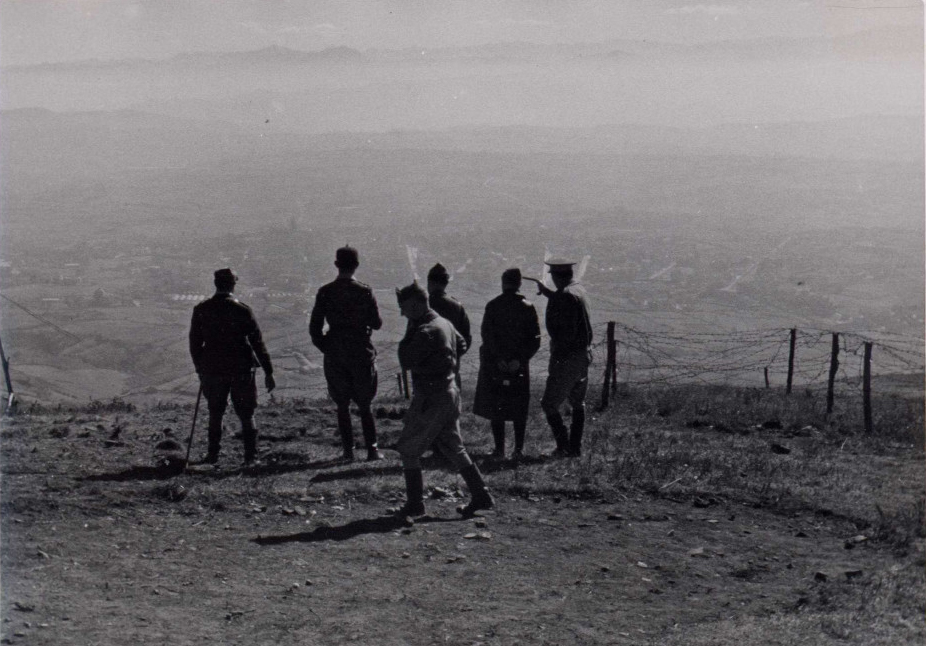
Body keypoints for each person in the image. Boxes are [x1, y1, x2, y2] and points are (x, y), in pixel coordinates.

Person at [392, 282, 494, 518]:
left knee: (408, 449)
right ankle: (481, 495)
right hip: (449, 391)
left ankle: (415, 504)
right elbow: (462, 343)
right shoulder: (444, 323)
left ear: (416, 305)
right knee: (453, 447)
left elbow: (405, 360)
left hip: (432, 397)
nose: (402, 313)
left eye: (404, 308)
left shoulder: (424, 330)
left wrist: (411, 333)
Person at [189, 268, 276, 465]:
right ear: (233, 285)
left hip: (213, 369)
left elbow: (195, 345)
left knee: (215, 412)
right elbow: (257, 343)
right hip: (241, 369)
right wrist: (268, 372)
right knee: (246, 413)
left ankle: (213, 455)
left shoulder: (202, 309)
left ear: (216, 284)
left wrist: (200, 369)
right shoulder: (243, 310)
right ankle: (250, 457)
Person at [309, 246, 384, 462]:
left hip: (336, 354)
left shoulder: (325, 292)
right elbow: (377, 324)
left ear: (336, 265)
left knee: (342, 405)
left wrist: (328, 347)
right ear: (356, 265)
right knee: (365, 405)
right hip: (361, 352)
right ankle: (372, 450)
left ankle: (348, 450)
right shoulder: (365, 291)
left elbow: (315, 329)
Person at [472, 268, 541, 459]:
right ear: (519, 283)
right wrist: (520, 360)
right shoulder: (528, 307)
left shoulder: (493, 305)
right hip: (520, 366)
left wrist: (498, 359)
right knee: (519, 407)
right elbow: (535, 339)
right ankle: (518, 450)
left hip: (497, 365)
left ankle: (499, 449)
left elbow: (487, 336)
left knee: (497, 407)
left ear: (503, 282)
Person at [530, 259, 593, 457]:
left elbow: (564, 329)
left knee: (549, 403)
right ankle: (574, 447)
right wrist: (548, 292)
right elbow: (566, 302)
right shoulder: (578, 290)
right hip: (583, 355)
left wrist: (558, 357)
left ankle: (563, 445)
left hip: (567, 357)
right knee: (577, 402)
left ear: (556, 276)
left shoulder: (565, 296)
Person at [426, 263, 471, 386]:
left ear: (430, 282)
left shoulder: (425, 305)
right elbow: (466, 338)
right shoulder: (457, 306)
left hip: (427, 367)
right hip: (452, 364)